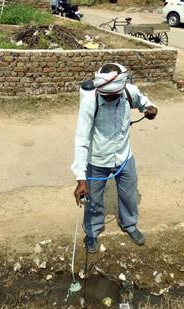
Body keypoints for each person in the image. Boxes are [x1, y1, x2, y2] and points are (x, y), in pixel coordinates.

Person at [71, 63, 158, 253]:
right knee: (93, 200)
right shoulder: (90, 102)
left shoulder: (129, 92)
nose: (109, 98)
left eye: (113, 95)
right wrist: (80, 177)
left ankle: (130, 225)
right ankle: (92, 232)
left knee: (129, 194)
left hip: (124, 156)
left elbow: (144, 102)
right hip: (97, 159)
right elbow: (81, 139)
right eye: (106, 95)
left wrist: (150, 109)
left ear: (120, 90)